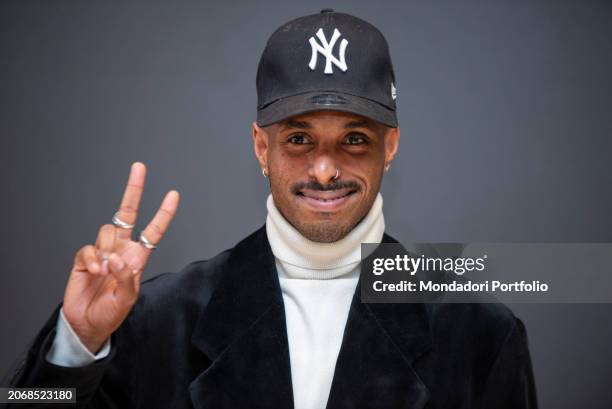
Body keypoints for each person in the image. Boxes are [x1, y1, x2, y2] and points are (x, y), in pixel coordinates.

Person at [2, 9, 537, 409]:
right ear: (261, 146)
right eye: (300, 138)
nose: (325, 170)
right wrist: (75, 346)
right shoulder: (155, 319)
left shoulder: (479, 334)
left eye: (354, 139)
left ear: (390, 146)